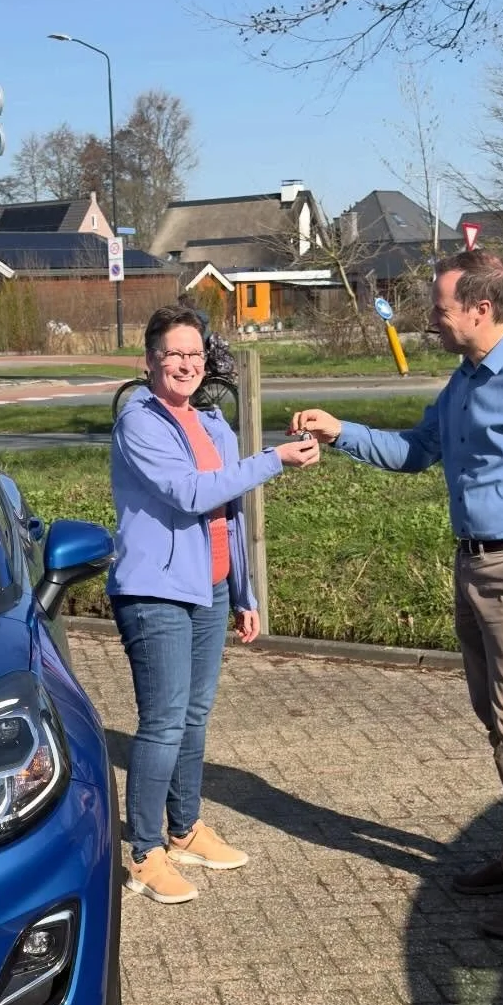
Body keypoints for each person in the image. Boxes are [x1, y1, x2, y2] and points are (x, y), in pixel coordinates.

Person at [289, 250, 503, 939]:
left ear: (479, 309)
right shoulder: (463, 382)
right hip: (474, 567)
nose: (430, 319)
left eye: (439, 308)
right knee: (498, 721)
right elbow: (415, 451)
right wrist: (338, 432)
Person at [110, 305, 322, 904]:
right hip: (155, 593)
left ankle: (184, 829)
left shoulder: (212, 423)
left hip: (209, 589)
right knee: (163, 722)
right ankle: (145, 852)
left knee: (194, 718)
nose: (185, 365)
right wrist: (273, 459)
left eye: (194, 355)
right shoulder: (140, 422)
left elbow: (229, 514)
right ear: (150, 360)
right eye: (173, 355)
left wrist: (243, 593)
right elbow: (190, 492)